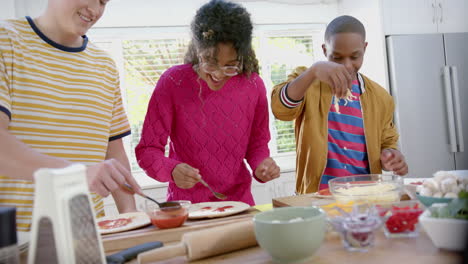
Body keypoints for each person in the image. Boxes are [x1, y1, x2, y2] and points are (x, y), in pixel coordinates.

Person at [0, 0, 142, 231]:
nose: (95, 11)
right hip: (15, 241)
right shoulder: (6, 41)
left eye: (103, 2)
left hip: (88, 238)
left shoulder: (105, 66)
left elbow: (113, 150)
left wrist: (130, 212)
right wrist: (75, 174)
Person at [135, 0, 280, 205]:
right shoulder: (173, 82)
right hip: (188, 209)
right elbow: (147, 150)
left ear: (242, 56)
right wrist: (172, 170)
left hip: (239, 205)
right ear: (197, 50)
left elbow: (257, 144)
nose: (219, 74)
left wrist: (261, 165)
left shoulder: (253, 85)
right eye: (210, 63)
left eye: (231, 66)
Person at [271, 15, 408, 194]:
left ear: (364, 49)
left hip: (367, 195)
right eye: (336, 57)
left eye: (354, 56)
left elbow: (387, 142)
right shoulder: (308, 82)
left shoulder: (381, 97)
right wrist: (313, 72)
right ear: (324, 50)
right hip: (316, 198)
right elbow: (280, 109)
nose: (346, 65)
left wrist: (391, 156)